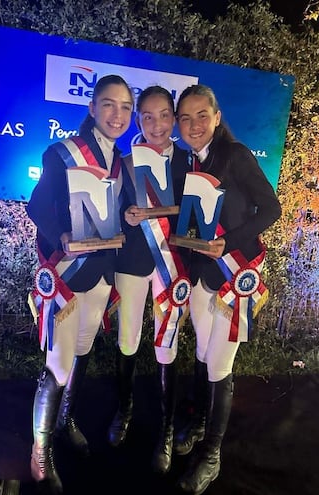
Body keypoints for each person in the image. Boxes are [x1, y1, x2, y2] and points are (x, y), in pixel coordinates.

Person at [26, 75, 134, 494]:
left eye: (126, 107)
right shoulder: (62, 152)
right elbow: (37, 206)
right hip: (69, 278)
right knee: (57, 363)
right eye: (109, 104)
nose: (117, 114)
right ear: (92, 108)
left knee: (83, 352)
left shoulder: (120, 160)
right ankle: (40, 453)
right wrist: (62, 238)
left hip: (102, 277)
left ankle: (66, 419)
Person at [173, 84, 281, 494]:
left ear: (217, 118)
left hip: (235, 275)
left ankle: (212, 456)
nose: (194, 124)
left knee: (220, 363)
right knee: (203, 353)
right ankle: (200, 422)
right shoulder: (186, 162)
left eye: (202, 115)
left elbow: (271, 209)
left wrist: (230, 242)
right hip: (202, 274)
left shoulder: (234, 156)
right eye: (185, 117)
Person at [107, 86, 191, 474]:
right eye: (147, 116)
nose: (156, 125)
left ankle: (167, 429)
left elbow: (198, 218)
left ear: (173, 119)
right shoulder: (123, 163)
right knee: (127, 340)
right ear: (138, 120)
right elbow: (111, 213)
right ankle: (124, 409)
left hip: (172, 266)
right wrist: (126, 217)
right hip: (132, 263)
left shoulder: (189, 164)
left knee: (166, 347)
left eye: (163, 116)